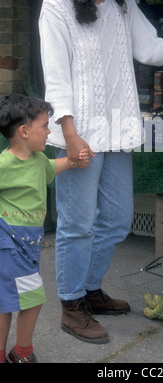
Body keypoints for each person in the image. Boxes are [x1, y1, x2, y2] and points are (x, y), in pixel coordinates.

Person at [38, 0, 163, 345]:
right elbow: (56, 78)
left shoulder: (122, 1)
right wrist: (70, 135)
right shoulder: (57, 5)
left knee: (116, 219)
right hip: (78, 133)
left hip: (116, 130)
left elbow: (147, 45)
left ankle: (89, 289)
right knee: (77, 224)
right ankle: (72, 305)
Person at [0, 94, 90, 363]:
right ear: (24, 132)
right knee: (30, 298)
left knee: (12, 301)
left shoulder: (38, 159)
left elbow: (50, 168)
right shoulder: (5, 164)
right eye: (44, 126)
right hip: (9, 242)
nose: (50, 131)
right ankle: (22, 352)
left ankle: (12, 353)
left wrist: (72, 162)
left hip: (29, 243)